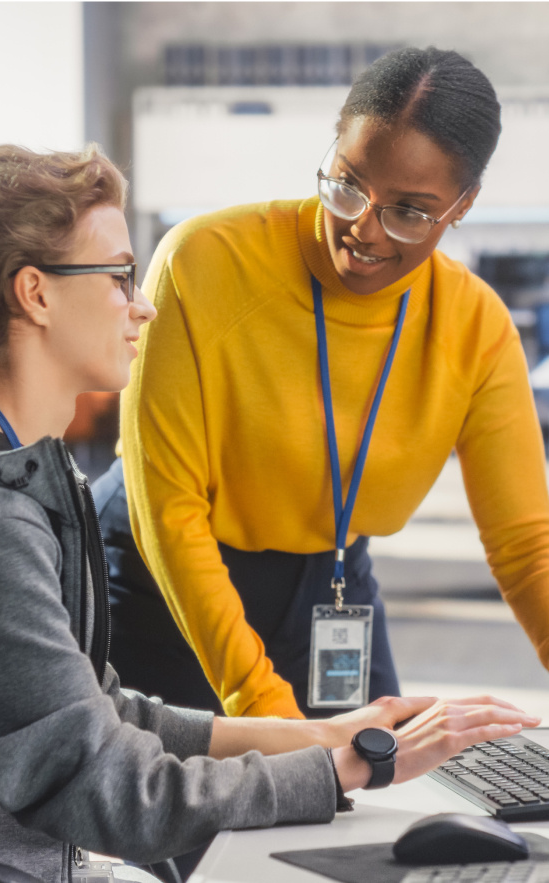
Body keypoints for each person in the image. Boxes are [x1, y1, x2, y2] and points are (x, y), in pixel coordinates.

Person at [0, 143, 539, 883]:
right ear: (36, 293)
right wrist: (347, 767)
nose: (143, 303)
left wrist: (320, 734)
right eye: (119, 276)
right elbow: (121, 792)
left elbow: (101, 711)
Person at [94, 45, 549, 721]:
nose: (363, 229)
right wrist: (264, 705)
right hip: (166, 578)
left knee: (382, 796)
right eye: (347, 184)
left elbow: (525, 545)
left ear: (463, 204)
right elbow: (170, 507)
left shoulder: (474, 324)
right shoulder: (202, 262)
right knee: (200, 813)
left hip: (332, 580)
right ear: (333, 148)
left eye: (410, 211)